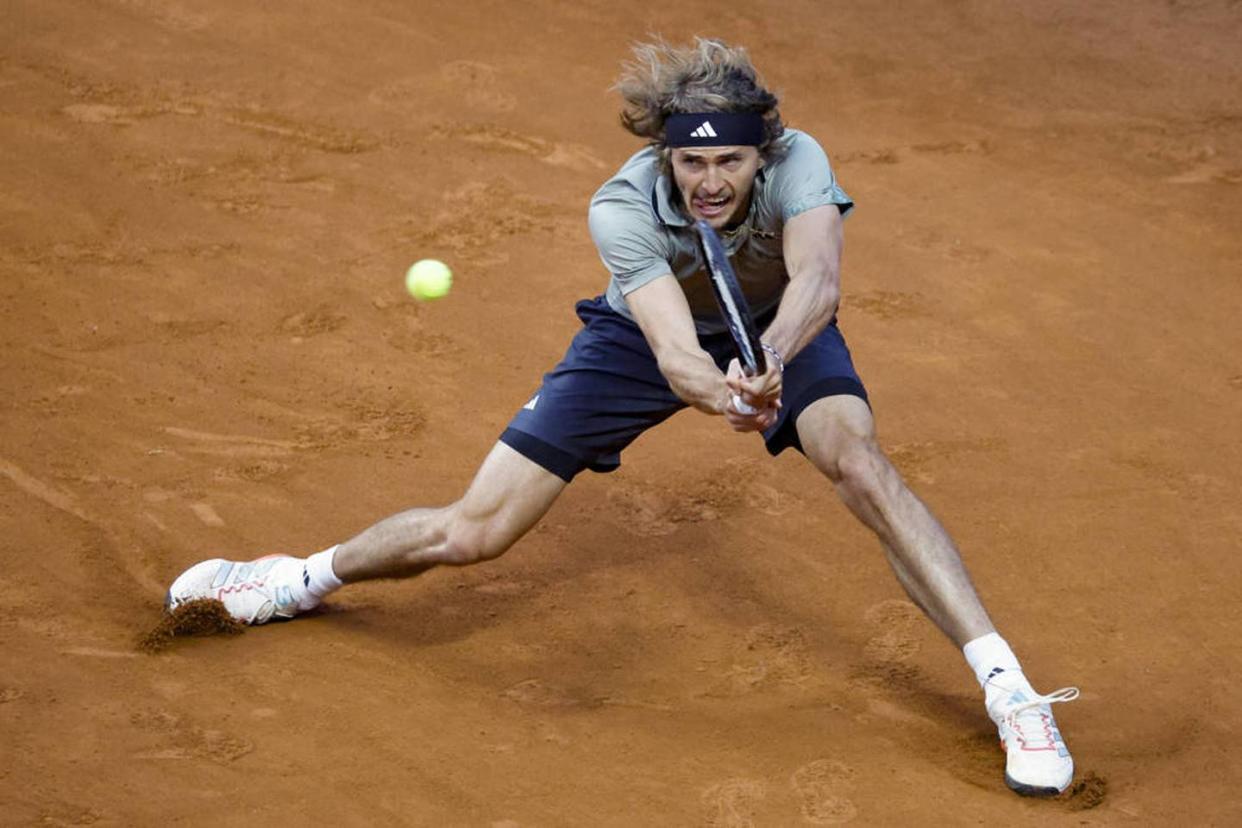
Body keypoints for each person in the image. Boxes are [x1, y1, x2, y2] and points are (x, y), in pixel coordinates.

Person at [167, 38, 1078, 797]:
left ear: (765, 151)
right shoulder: (621, 205)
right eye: (692, 162)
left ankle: (1012, 694)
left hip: (779, 328)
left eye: (730, 161)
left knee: (862, 466)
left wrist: (766, 363)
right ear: (663, 156)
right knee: (473, 532)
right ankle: (296, 578)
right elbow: (674, 351)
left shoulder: (803, 161)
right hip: (644, 339)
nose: (711, 181)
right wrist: (719, 389)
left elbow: (818, 281)